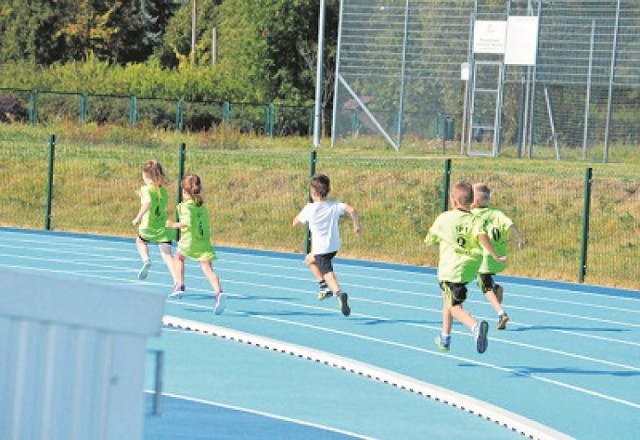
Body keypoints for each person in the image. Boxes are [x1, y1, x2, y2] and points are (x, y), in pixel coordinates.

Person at [425, 181, 507, 354]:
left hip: (451, 269)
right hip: (470, 267)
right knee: (448, 300)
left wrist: (441, 245)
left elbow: (430, 240)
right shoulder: (474, 219)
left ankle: (475, 327)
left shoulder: (444, 218)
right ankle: (445, 338)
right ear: (471, 201)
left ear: (454, 201)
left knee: (455, 307)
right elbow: (482, 236)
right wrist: (495, 255)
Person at [293, 174, 362, 317]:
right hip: (334, 246)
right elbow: (352, 210)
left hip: (321, 249)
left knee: (327, 272)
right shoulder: (335, 205)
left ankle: (339, 293)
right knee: (309, 260)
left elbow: (294, 223)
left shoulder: (310, 208)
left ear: (313, 192)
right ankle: (324, 288)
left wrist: (302, 215)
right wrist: (356, 225)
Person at [166, 173, 226, 315]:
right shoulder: (202, 206)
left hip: (190, 240)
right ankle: (218, 292)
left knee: (179, 258)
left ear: (185, 192)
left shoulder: (185, 206)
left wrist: (173, 224)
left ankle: (180, 285)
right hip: (204, 241)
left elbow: (186, 222)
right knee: (207, 268)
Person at [472, 182, 525, 330]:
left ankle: (501, 313)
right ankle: (496, 288)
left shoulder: (473, 215)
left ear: (474, 200)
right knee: (482, 281)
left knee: (484, 285)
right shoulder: (496, 212)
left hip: (486, 256)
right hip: (501, 256)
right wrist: (520, 239)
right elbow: (511, 224)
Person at [132, 160, 177, 284]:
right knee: (167, 255)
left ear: (145, 175)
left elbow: (147, 203)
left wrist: (138, 217)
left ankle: (146, 259)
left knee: (140, 242)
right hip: (163, 226)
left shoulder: (146, 189)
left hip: (148, 225)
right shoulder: (163, 190)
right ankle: (177, 281)